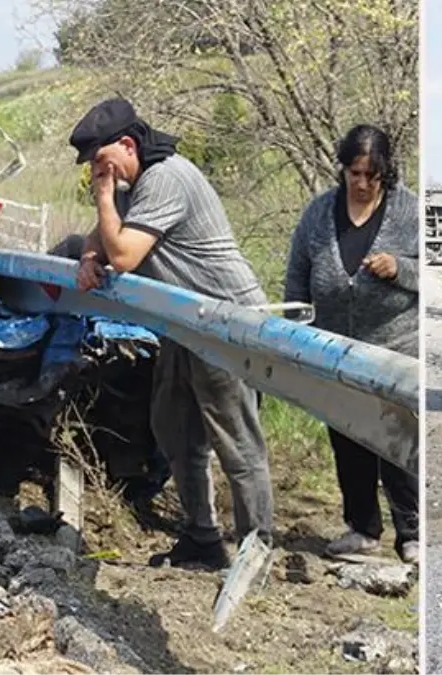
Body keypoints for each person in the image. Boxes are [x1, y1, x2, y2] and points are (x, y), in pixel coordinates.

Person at [69, 97, 273, 570]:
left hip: (225, 322)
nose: (97, 173)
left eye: (100, 161)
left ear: (127, 144)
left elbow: (124, 254)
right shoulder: (133, 182)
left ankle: (256, 551)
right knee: (174, 427)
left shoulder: (166, 178)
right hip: (184, 322)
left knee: (236, 440)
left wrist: (104, 199)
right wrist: (88, 255)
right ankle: (201, 537)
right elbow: (101, 238)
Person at [284, 124, 420, 563]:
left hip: (395, 347)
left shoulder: (409, 212)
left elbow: (436, 274)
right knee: (348, 437)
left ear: (386, 173)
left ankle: (412, 533)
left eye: (371, 176)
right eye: (354, 173)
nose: (361, 184)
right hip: (334, 348)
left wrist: (400, 268)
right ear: (342, 169)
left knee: (398, 440)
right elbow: (297, 276)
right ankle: (362, 528)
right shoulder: (319, 213)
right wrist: (296, 335)